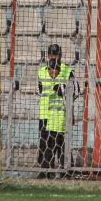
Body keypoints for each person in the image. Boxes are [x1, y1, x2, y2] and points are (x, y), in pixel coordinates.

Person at [37, 44, 71, 175]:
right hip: (45, 112)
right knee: (44, 144)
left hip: (60, 113)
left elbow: (75, 90)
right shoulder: (41, 71)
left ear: (60, 56)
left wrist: (62, 90)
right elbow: (39, 90)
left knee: (61, 143)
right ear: (48, 55)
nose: (54, 57)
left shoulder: (67, 70)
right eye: (52, 54)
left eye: (56, 54)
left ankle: (65, 170)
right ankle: (44, 170)